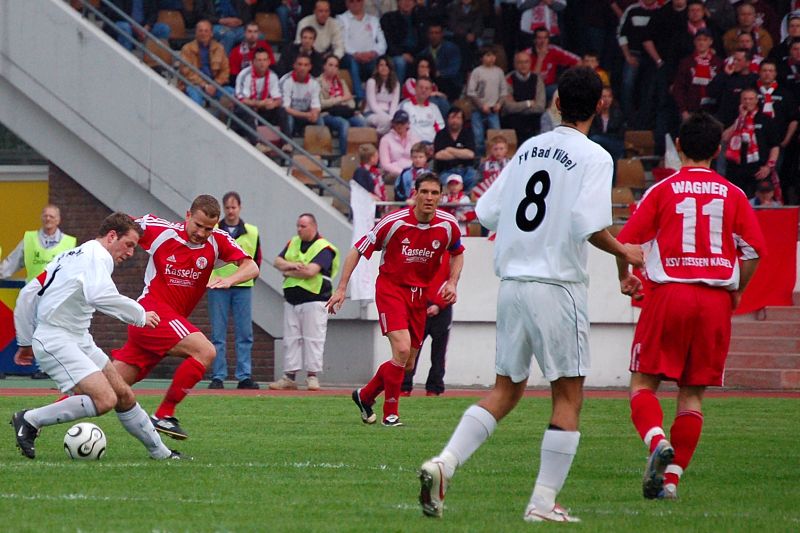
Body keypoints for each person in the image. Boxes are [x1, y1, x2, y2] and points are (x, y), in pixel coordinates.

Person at [417, 66, 644, 523]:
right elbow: (588, 225)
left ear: (556, 102)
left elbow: (486, 211)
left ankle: (445, 462)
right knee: (568, 396)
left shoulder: (528, 149)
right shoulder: (595, 156)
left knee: (505, 390)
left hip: (513, 285)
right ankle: (542, 502)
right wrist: (626, 252)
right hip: (557, 286)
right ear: (600, 105)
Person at [615, 111, 765, 501]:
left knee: (643, 384)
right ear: (718, 150)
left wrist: (625, 276)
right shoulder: (733, 194)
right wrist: (737, 290)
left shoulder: (662, 190)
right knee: (692, 395)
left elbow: (627, 242)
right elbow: (753, 251)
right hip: (714, 300)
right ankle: (670, 483)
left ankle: (657, 441)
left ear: (678, 145)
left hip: (670, 294)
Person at [11, 213, 185, 461]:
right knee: (105, 399)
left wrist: (25, 342)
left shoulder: (72, 255)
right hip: (56, 340)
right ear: (112, 236)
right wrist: (139, 314)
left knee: (124, 394)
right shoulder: (97, 255)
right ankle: (29, 419)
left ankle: (162, 453)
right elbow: (99, 295)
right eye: (128, 245)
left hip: (78, 339)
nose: (130, 253)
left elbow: (28, 293)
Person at [112, 195, 259, 440]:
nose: (201, 233)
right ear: (187, 215)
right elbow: (120, 224)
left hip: (166, 325)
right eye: (198, 225)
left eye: (208, 229)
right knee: (206, 351)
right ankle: (164, 415)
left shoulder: (218, 240)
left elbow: (251, 266)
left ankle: (42, 416)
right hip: (152, 314)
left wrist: (230, 279)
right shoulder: (162, 231)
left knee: (106, 390)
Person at [327, 173, 465, 427]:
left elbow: (457, 252)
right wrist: (342, 288)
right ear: (415, 194)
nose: (429, 198)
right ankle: (391, 413)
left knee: (408, 363)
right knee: (401, 350)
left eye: (435, 193)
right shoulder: (394, 222)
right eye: (424, 192)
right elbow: (357, 249)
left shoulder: (448, 225)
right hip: (391, 290)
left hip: (419, 296)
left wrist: (452, 282)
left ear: (441, 197)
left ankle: (365, 396)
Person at [0, 204, 77, 379]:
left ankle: (49, 368)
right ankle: (41, 367)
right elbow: (13, 261)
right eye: (45, 215)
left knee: (54, 331)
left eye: (52, 216)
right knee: (33, 330)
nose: (48, 219)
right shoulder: (29, 239)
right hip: (33, 293)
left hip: (57, 294)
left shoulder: (69, 242)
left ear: (58, 220)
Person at [270, 214, 340, 391]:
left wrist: (287, 272)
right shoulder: (293, 242)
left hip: (315, 299)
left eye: (303, 226)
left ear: (313, 227)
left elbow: (310, 272)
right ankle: (289, 377)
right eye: (298, 226)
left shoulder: (324, 248)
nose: (299, 229)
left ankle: (312, 376)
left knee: (313, 339)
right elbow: (277, 261)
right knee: (291, 339)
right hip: (292, 300)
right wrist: (293, 265)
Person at [207, 192, 263, 390]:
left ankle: (244, 376)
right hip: (217, 285)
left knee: (245, 333)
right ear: (223, 208)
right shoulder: (213, 230)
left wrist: (248, 278)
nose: (231, 211)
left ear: (240, 207)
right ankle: (218, 376)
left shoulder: (252, 232)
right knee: (218, 334)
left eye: (234, 207)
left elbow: (257, 259)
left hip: (242, 287)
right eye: (228, 208)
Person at [400, 250, 452, 396]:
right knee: (411, 348)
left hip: (442, 308)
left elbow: (451, 281)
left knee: (439, 352)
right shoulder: (421, 250)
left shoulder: (450, 254)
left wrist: (439, 304)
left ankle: (434, 388)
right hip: (419, 305)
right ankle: (404, 386)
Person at [721, 87, 780, 198]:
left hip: (758, 168)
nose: (748, 102)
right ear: (740, 101)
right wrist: (740, 119)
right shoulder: (733, 116)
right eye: (745, 99)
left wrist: (768, 167)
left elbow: (774, 146)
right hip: (736, 168)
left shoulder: (765, 119)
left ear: (757, 100)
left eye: (751, 99)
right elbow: (725, 138)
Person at [232, 47, 289, 149]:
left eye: (264, 60)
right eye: (259, 60)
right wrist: (258, 103)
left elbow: (279, 99)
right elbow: (241, 99)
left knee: (281, 111)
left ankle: (287, 143)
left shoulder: (272, 76)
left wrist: (273, 104)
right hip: (246, 109)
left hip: (263, 108)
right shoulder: (245, 75)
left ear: (269, 62)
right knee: (246, 110)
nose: (262, 63)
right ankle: (256, 143)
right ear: (253, 62)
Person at [338, 0, 388, 101]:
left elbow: (382, 42)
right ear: (347, 3)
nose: (355, 3)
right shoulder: (341, 19)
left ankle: (380, 96)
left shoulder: (373, 20)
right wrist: (356, 54)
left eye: (358, 1)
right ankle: (360, 98)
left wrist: (374, 52)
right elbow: (342, 42)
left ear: (363, 2)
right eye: (352, 1)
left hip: (371, 57)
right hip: (351, 56)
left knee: (381, 62)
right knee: (352, 62)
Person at [672, 28, 725, 123]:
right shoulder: (686, 62)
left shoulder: (718, 62)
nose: (701, 43)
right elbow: (679, 88)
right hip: (691, 110)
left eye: (705, 40)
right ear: (694, 42)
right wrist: (683, 111)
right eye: (699, 39)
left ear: (710, 42)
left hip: (713, 110)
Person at [319, 55, 368, 155]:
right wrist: (340, 99)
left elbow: (351, 102)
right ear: (324, 66)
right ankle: (344, 156)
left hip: (343, 112)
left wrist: (347, 106)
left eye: (336, 66)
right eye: (330, 65)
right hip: (327, 114)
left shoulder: (341, 82)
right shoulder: (317, 82)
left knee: (361, 122)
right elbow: (321, 103)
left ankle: (361, 155)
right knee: (344, 124)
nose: (333, 68)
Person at [179, 20, 234, 106]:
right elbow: (187, 72)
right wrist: (205, 85)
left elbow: (225, 70)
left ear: (211, 33)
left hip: (214, 85)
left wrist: (215, 85)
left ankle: (219, 114)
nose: (203, 34)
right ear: (196, 33)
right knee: (195, 97)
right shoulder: (187, 48)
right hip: (195, 84)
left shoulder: (219, 48)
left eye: (206, 31)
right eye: (200, 31)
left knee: (232, 93)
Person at [467, 47, 508, 156]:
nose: (491, 58)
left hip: (493, 109)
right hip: (478, 109)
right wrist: (481, 105)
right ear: (482, 58)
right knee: (478, 137)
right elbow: (471, 92)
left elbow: (504, 91)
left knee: (496, 135)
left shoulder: (499, 72)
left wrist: (499, 104)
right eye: (488, 55)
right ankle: (479, 158)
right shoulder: (477, 71)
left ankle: (497, 156)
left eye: (493, 55)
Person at [502, 51, 546, 144]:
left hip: (533, 120)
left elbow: (540, 107)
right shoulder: (508, 79)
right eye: (520, 62)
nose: (523, 65)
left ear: (530, 63)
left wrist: (517, 107)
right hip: (513, 122)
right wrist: (528, 103)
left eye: (526, 62)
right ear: (515, 64)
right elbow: (508, 107)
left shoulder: (537, 79)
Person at [380, 0, 429, 82]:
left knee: (426, 59)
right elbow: (388, 42)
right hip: (396, 54)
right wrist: (402, 54)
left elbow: (424, 41)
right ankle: (398, 88)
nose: (407, 2)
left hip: (416, 53)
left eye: (410, 0)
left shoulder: (420, 18)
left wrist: (414, 56)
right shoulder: (388, 18)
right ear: (398, 2)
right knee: (400, 62)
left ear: (414, 3)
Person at [527, 27, 580, 102]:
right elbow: (532, 80)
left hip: (549, 87)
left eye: (545, 38)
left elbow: (578, 61)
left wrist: (569, 77)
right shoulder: (526, 54)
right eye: (539, 38)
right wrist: (540, 58)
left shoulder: (554, 50)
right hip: (532, 89)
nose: (542, 41)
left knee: (565, 90)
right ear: (534, 40)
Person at [433, 107, 477, 190]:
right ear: (447, 119)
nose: (455, 121)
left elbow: (470, 154)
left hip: (466, 170)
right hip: (446, 171)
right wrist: (461, 153)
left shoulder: (468, 134)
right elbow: (438, 155)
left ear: (462, 120)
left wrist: (450, 150)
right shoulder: (440, 134)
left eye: (458, 118)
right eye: (452, 117)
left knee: (474, 176)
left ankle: (466, 197)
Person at [102, 0, 171, 53]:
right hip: (122, 23)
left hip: (142, 27)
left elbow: (153, 13)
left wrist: (147, 27)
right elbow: (117, 13)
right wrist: (135, 27)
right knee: (125, 27)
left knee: (164, 29)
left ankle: (154, 62)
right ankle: (127, 59)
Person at [280, 52, 323, 136]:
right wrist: (306, 115)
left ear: (310, 67)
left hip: (306, 114)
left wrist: (314, 114)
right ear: (294, 65)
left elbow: (316, 106)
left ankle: (320, 144)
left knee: (319, 119)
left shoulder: (314, 83)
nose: (302, 68)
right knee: (288, 119)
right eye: (299, 64)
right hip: (290, 114)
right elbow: (285, 108)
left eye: (305, 65)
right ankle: (287, 142)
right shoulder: (286, 81)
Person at [419, 23, 462, 101]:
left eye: (437, 33)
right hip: (431, 83)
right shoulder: (424, 53)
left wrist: (439, 73)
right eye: (431, 33)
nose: (434, 36)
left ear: (442, 34)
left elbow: (454, 70)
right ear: (428, 35)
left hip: (450, 84)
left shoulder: (451, 48)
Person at [400, 77, 445, 143]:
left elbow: (441, 128)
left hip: (431, 144)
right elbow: (400, 126)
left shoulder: (434, 108)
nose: (423, 90)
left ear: (430, 91)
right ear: (415, 88)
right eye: (421, 87)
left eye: (427, 88)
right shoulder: (405, 105)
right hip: (412, 144)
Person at [588, 86, 626, 164]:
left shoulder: (618, 113)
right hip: (598, 143)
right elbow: (592, 132)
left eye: (609, 96)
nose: (607, 99)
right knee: (594, 139)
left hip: (614, 142)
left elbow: (620, 134)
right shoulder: (594, 114)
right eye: (604, 96)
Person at [364, 56, 401, 135]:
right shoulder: (371, 82)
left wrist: (392, 117)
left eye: (386, 65)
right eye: (381, 65)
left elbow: (394, 104)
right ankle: (377, 137)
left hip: (388, 113)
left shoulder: (396, 84)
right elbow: (373, 105)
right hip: (372, 113)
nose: (384, 68)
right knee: (386, 121)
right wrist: (389, 118)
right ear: (377, 68)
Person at [379, 109, 420, 179]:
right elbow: (385, 164)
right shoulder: (385, 140)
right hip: (392, 174)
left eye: (402, 123)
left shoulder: (415, 138)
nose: (399, 126)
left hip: (413, 172)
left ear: (408, 124)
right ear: (393, 124)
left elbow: (420, 158)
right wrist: (404, 173)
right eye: (397, 123)